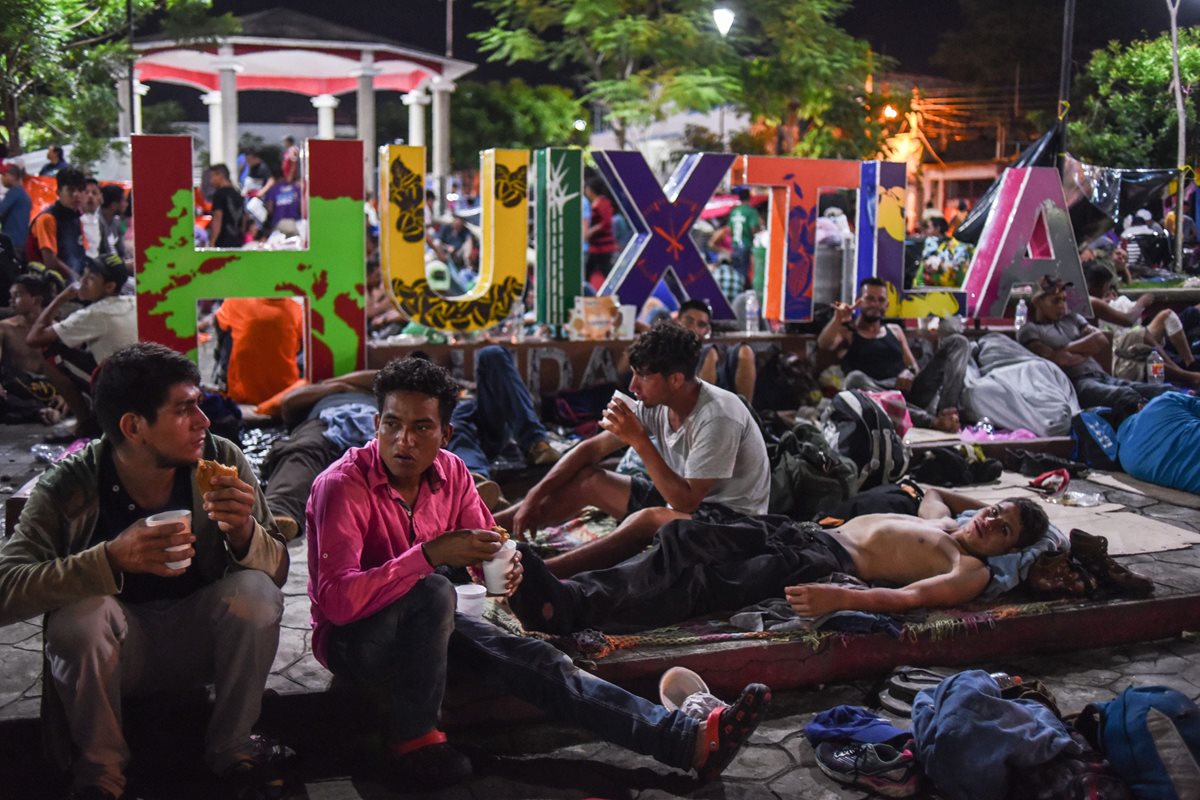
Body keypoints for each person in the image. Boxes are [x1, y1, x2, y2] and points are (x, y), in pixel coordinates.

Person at [306, 356, 769, 791]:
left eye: (420, 427)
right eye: (392, 424)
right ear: (376, 425)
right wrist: (427, 556)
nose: (403, 440)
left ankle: (686, 740)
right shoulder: (342, 486)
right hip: (355, 642)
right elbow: (337, 604)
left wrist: (501, 571)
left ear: (445, 433)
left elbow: (487, 542)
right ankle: (415, 742)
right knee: (432, 591)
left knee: (538, 660)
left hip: (426, 624)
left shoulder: (452, 472)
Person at [0, 343, 291, 800]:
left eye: (199, 404)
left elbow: (277, 570)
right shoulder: (71, 483)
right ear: (133, 426)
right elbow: (6, 589)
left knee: (255, 592)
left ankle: (234, 748)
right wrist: (110, 559)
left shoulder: (222, 459)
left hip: (200, 641)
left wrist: (243, 533)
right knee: (80, 618)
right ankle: (101, 774)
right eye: (184, 410)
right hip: (119, 652)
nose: (204, 421)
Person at [506, 489, 1049, 637]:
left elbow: (911, 599)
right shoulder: (945, 522)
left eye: (1003, 530)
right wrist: (970, 504)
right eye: (993, 512)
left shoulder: (970, 570)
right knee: (685, 539)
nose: (989, 523)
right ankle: (568, 590)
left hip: (821, 560)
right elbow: (932, 489)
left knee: (706, 585)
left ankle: (570, 605)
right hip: (799, 528)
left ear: (1010, 551)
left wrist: (844, 598)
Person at [495, 321, 770, 576]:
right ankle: (485, 530)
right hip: (682, 503)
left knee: (647, 519)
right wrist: (534, 496)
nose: (632, 386)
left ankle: (540, 574)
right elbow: (590, 451)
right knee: (590, 479)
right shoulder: (658, 403)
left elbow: (688, 502)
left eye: (642, 376)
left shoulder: (718, 416)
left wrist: (639, 440)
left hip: (733, 526)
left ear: (674, 380)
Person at [263, 346, 560, 538]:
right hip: (332, 425)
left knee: (451, 430)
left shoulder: (413, 404)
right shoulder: (333, 393)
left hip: (400, 434)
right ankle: (279, 516)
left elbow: (409, 401)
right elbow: (290, 403)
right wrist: (340, 385)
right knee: (301, 451)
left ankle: (474, 483)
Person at [1018, 274, 1173, 423]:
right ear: (1038, 301)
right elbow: (1060, 360)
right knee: (1127, 397)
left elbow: (1100, 339)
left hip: (1101, 376)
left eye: (1064, 300)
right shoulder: (1030, 330)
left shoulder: (1072, 318)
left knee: (1165, 391)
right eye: (1056, 301)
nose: (1062, 306)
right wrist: (1082, 350)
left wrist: (1066, 349)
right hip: (1077, 384)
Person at [817, 277, 965, 432]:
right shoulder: (848, 331)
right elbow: (824, 344)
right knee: (854, 379)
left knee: (958, 342)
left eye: (881, 300)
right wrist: (837, 318)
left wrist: (909, 372)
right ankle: (932, 421)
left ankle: (947, 413)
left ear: (887, 305)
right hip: (875, 398)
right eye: (869, 299)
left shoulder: (895, 330)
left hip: (907, 394)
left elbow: (913, 367)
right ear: (858, 301)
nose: (875, 304)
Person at [1085, 263, 1200, 388]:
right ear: (1097, 287)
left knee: (1159, 322)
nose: (1107, 292)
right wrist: (1142, 302)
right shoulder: (1092, 302)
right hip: (1114, 352)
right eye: (1106, 288)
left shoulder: (1097, 302)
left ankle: (1189, 365)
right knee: (1142, 338)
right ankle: (1186, 373)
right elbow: (1127, 320)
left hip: (1126, 340)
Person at [27, 253, 137, 372]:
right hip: (139, 373)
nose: (82, 281)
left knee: (51, 349)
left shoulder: (94, 314)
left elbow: (33, 339)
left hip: (118, 381)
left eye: (91, 278)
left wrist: (61, 298)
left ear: (110, 287)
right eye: (84, 274)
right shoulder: (133, 301)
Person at [0, 274, 77, 424]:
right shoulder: (3, 328)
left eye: (17, 295)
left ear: (36, 300)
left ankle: (47, 410)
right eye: (11, 296)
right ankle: (41, 412)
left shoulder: (55, 329)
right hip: (16, 388)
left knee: (83, 397)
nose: (11, 301)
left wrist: (67, 394)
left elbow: (68, 368)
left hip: (50, 387)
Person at [213, 296, 304, 405]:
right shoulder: (296, 309)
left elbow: (218, 321)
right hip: (285, 394)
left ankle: (224, 378)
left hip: (240, 395)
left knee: (228, 333)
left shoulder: (235, 301)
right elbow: (298, 348)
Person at [677, 298, 757, 401]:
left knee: (745, 351)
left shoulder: (711, 348)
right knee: (710, 353)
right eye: (689, 321)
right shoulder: (666, 343)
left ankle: (746, 413)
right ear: (677, 321)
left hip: (721, 374)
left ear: (707, 330)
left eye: (701, 325)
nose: (694, 328)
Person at [28, 167, 87, 280]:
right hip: (47, 284)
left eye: (80, 190)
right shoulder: (47, 218)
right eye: (71, 190)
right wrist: (78, 279)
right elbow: (50, 262)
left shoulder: (76, 217)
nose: (76, 194)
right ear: (59, 192)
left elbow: (81, 254)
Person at [584, 177, 617, 287]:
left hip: (603, 246)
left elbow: (606, 222)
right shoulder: (593, 203)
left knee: (605, 270)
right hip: (595, 246)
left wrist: (591, 231)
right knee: (589, 270)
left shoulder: (603, 203)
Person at [207, 164, 246, 249]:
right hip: (238, 242)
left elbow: (218, 217)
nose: (211, 181)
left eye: (212, 176)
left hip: (223, 243)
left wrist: (212, 241)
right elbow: (244, 218)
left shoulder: (219, 194)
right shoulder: (237, 194)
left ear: (220, 175)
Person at [727, 188, 760, 280]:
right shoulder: (751, 211)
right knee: (744, 272)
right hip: (746, 244)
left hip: (735, 245)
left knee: (735, 271)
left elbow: (729, 230)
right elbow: (753, 228)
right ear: (749, 198)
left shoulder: (734, 212)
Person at [0, 163, 32, 253]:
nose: (1, 178)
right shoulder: (22, 193)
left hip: (13, 243)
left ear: (12, 176)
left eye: (4, 175)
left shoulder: (14, 193)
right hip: (21, 241)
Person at [96, 184, 127, 264]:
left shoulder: (116, 222)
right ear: (113, 205)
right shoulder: (97, 223)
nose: (126, 204)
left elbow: (121, 250)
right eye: (123, 200)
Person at [80, 178, 102, 259]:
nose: (90, 196)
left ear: (100, 198)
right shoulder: (74, 220)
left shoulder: (101, 221)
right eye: (86, 192)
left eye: (94, 193)